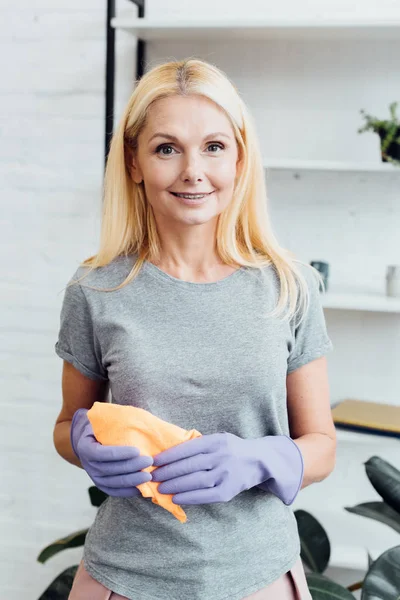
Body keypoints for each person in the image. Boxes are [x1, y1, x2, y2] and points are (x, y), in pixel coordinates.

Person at [53, 58, 336, 600]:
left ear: (239, 158)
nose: (193, 171)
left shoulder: (290, 285)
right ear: (134, 162)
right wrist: (82, 445)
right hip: (124, 580)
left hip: (259, 578)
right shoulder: (95, 289)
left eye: (214, 146)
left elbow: (321, 444)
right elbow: (68, 423)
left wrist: (259, 459)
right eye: (166, 148)